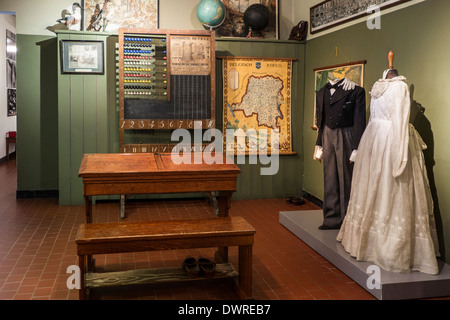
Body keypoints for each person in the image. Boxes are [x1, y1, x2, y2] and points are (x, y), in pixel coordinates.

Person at [336, 70, 440, 274]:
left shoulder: (395, 87)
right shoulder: (381, 86)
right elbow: (399, 122)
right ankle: (371, 243)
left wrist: (399, 157)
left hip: (382, 140)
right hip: (381, 141)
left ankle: (388, 248)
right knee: (377, 190)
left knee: (388, 192)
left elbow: (400, 123)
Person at [314, 77, 366, 230]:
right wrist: (319, 143)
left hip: (347, 133)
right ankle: (331, 218)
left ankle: (348, 219)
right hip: (327, 133)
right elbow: (320, 120)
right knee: (329, 175)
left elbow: (359, 120)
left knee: (346, 176)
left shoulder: (356, 91)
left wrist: (357, 146)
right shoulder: (321, 92)